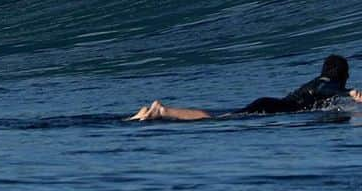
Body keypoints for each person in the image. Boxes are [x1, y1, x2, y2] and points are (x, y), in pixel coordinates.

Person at [129, 54, 362, 121]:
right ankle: (162, 111)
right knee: (216, 120)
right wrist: (349, 92)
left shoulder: (321, 80)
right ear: (341, 73)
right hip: (272, 107)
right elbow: (326, 91)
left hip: (271, 104)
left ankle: (156, 112)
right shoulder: (326, 83)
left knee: (221, 117)